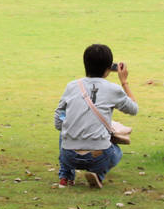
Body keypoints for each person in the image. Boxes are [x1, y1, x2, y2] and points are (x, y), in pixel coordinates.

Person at [54, 44, 138, 188]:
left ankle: (66, 176)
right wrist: (124, 81)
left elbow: (58, 121)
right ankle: (98, 174)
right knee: (117, 152)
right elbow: (133, 109)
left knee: (64, 131)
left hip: (68, 156)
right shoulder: (113, 89)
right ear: (108, 69)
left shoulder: (72, 86)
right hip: (98, 157)